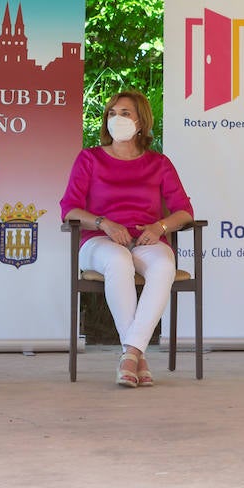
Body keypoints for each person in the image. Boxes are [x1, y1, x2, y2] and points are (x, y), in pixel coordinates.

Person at [60, 90, 195, 388]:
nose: (116, 119)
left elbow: (184, 212)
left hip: (145, 239)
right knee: (119, 261)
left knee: (163, 267)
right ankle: (137, 355)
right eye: (111, 113)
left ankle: (131, 354)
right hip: (98, 241)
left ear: (140, 121)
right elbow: (69, 208)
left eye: (124, 113)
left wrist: (160, 227)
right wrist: (103, 223)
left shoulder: (159, 163)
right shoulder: (89, 159)